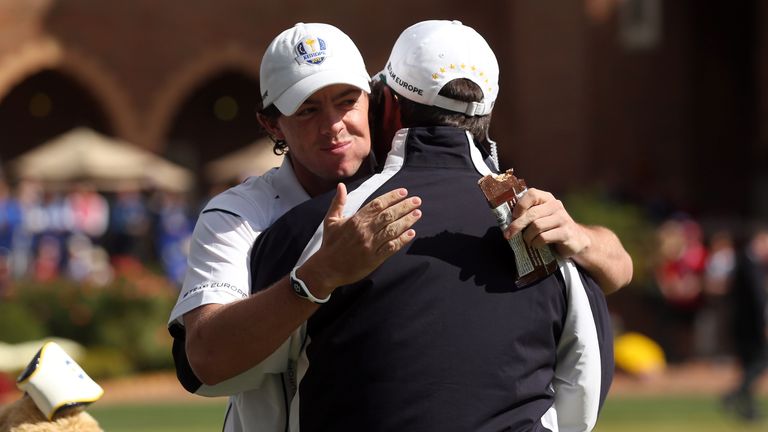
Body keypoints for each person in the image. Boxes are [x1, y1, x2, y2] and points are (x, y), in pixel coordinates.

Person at [169, 21, 631, 432]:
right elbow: (206, 361)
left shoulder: (499, 201)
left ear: (377, 101)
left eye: (346, 101)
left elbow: (617, 267)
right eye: (307, 110)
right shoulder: (240, 216)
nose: (334, 126)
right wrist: (319, 276)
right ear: (271, 126)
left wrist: (581, 238)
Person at [722, 225, 768, 421]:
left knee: (750, 364)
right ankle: (735, 394)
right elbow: (758, 299)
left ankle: (748, 410)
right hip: (750, 325)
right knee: (760, 361)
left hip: (743, 323)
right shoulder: (749, 263)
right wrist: (765, 323)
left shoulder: (746, 261)